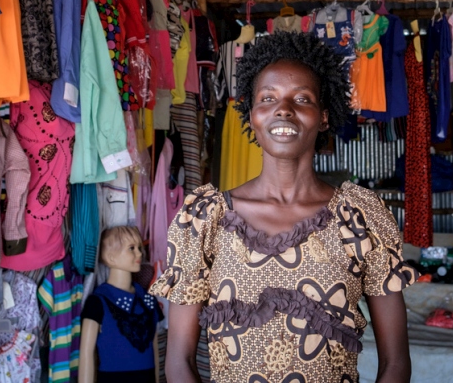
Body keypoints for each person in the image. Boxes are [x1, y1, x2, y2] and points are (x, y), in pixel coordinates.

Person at [151, 31, 417, 383]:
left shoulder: (360, 217)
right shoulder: (205, 218)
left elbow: (396, 362)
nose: (283, 109)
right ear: (253, 113)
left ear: (323, 116)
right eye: (268, 98)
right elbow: (179, 362)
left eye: (302, 98)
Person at [80, 225, 162, 383]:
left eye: (139, 247)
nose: (139, 253)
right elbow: (86, 355)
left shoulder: (148, 300)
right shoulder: (98, 302)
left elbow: (155, 350)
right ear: (111, 257)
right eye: (131, 248)